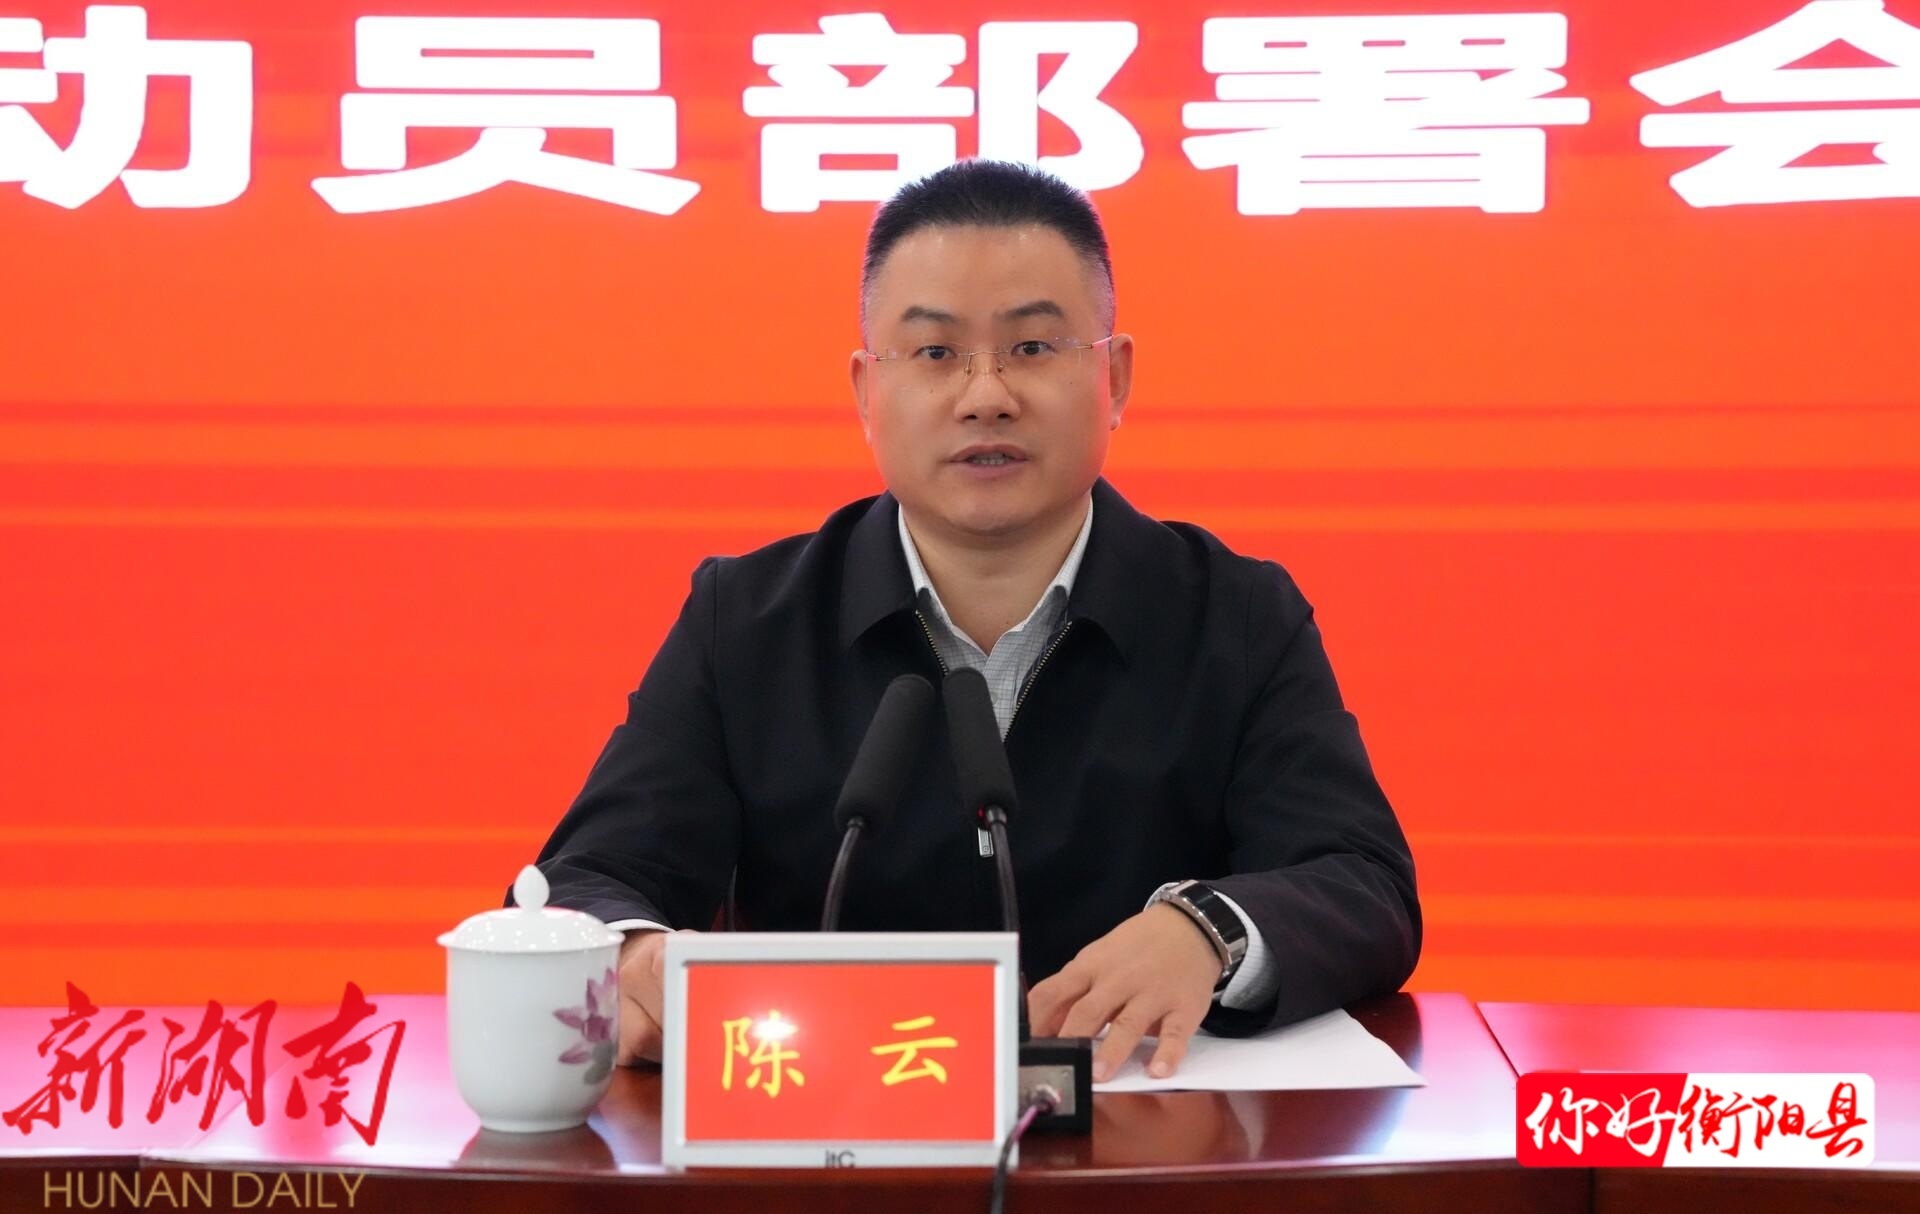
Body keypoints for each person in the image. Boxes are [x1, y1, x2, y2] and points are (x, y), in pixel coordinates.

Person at [528, 159, 1419, 1083]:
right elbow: (584, 882)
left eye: (1032, 347)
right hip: (831, 1133)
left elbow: (1362, 882)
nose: (986, 394)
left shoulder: (1234, 616)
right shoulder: (747, 622)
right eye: (935, 353)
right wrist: (636, 957)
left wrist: (1209, 933)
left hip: (1145, 1129)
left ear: (1113, 377)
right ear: (867, 391)